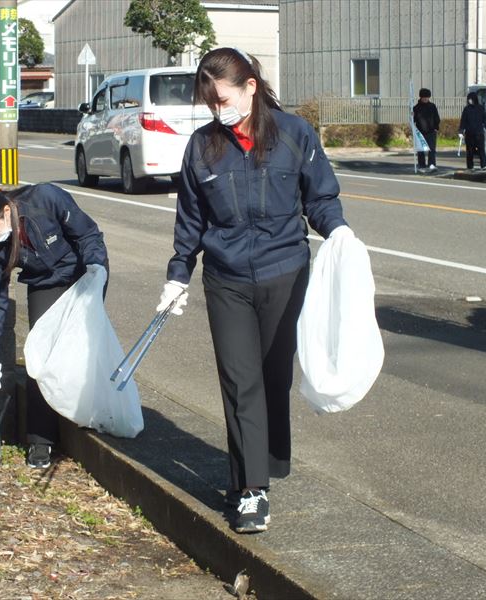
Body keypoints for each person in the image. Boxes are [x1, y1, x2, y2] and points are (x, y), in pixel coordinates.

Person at [157, 48, 351, 534]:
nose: (217, 110)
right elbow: (191, 218)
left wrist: (339, 231)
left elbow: (320, 197)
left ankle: (266, 461)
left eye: (222, 98)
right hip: (227, 280)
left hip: (285, 272)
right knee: (240, 382)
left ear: (250, 87)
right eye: (209, 103)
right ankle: (251, 490)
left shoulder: (294, 134)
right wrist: (178, 272)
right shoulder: (202, 147)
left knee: (272, 378)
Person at [0, 185, 108, 469]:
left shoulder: (45, 199)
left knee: (83, 350)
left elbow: (88, 233)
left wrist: (96, 265)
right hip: (44, 281)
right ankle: (41, 441)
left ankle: (91, 415)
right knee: (38, 359)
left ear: (6, 210)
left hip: (83, 272)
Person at [459, 91, 486, 171]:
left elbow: (485, 120)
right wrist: (461, 131)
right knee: (469, 151)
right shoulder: (466, 109)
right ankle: (470, 166)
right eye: (469, 99)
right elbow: (463, 121)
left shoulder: (481, 108)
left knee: (481, 149)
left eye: (471, 99)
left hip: (479, 133)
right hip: (469, 133)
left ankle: (484, 165)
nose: (470, 101)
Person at [412, 87, 440, 172]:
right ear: (420, 97)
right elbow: (413, 120)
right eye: (424, 97)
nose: (425, 99)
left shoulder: (432, 106)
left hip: (431, 131)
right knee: (421, 149)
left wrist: (436, 128)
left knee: (432, 149)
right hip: (420, 132)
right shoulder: (416, 108)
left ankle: (431, 164)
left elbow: (437, 117)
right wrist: (412, 116)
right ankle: (422, 165)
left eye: (427, 97)